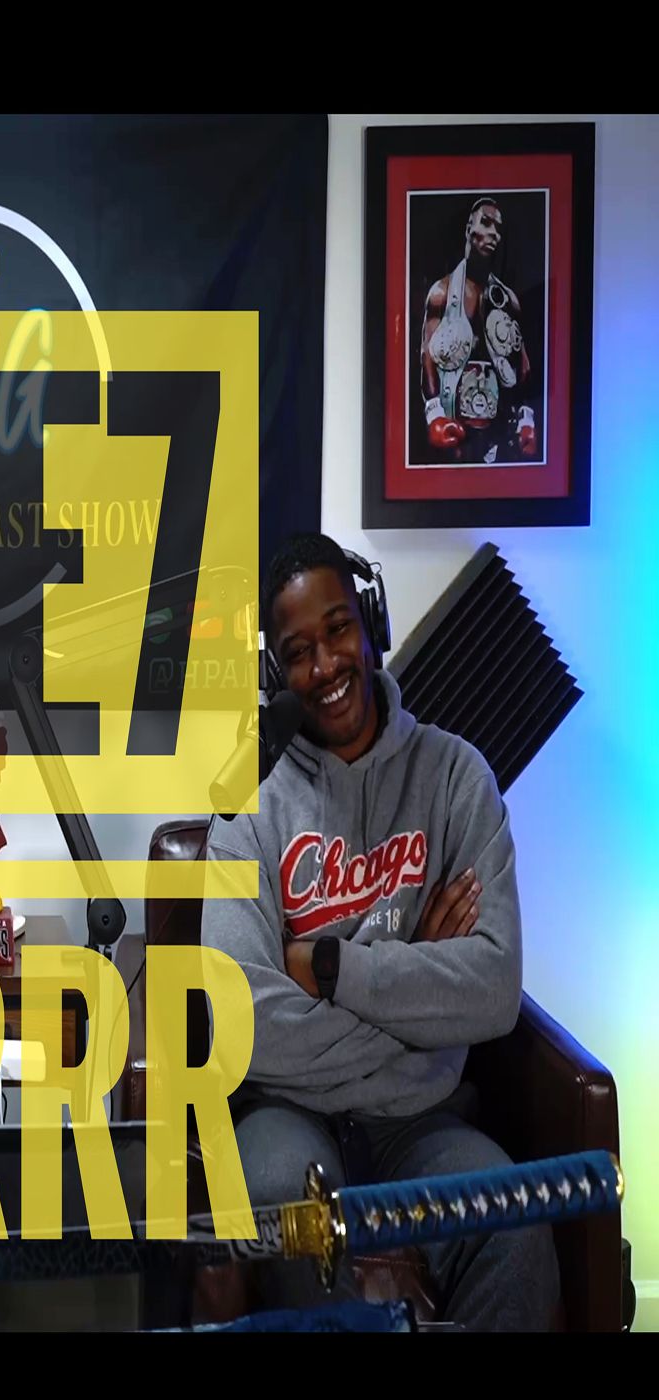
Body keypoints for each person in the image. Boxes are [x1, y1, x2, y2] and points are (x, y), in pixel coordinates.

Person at [200, 532, 559, 1330]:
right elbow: (240, 1024)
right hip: (285, 1116)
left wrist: (331, 967)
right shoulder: (245, 807)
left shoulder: (457, 779)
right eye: (298, 651)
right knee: (289, 1212)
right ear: (275, 673)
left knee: (514, 1224)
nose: (325, 664)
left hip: (422, 1122)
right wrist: (419, 977)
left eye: (337, 630)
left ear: (370, 626)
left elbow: (492, 993)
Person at [420, 196, 536, 465]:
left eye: (498, 228)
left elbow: (523, 366)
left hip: (499, 436)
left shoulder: (508, 301)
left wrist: (527, 419)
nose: (494, 233)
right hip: (454, 431)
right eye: (486, 222)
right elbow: (428, 357)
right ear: (468, 229)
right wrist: (434, 414)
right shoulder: (441, 293)